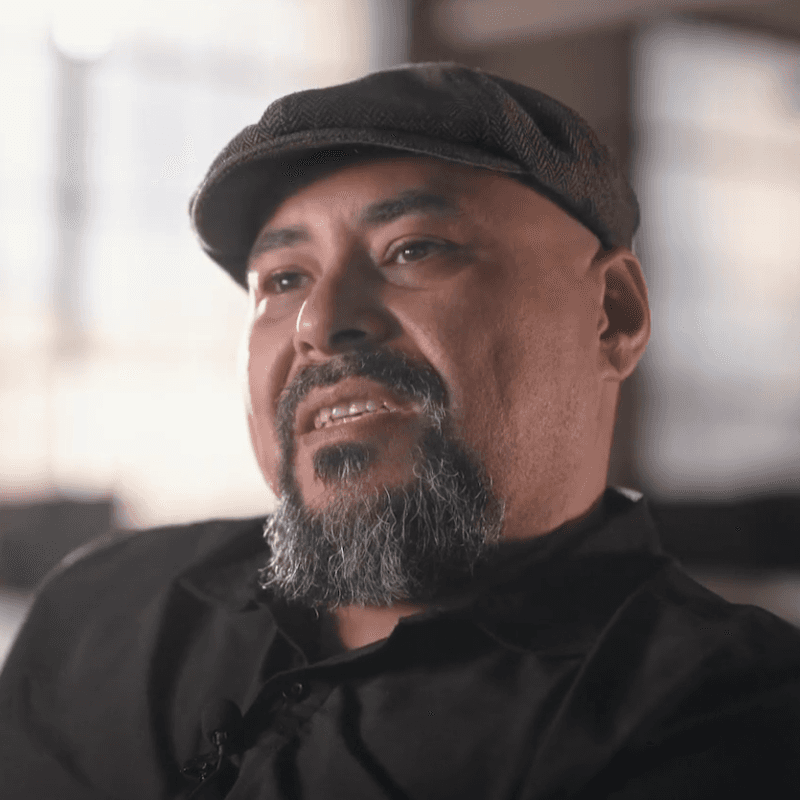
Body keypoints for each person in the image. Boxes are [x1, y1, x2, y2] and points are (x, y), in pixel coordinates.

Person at [1, 62, 799, 799]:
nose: (320, 323)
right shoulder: (104, 612)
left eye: (413, 249)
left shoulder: (731, 711)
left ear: (613, 315)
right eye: (284, 278)